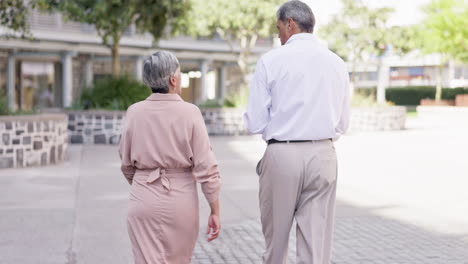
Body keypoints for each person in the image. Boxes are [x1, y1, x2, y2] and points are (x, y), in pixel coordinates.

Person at [244, 1, 351, 263]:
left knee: (276, 244)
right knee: (316, 247)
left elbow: (254, 122)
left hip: (283, 154)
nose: (278, 34)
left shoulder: (271, 60)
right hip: (323, 154)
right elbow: (342, 123)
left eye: (279, 27)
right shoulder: (336, 62)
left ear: (290, 23)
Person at [119, 51, 221, 264]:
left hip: (142, 196)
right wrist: (214, 210)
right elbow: (206, 167)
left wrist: (142, 183)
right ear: (173, 80)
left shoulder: (134, 112)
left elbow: (126, 164)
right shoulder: (190, 112)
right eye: (180, 73)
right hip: (181, 199)